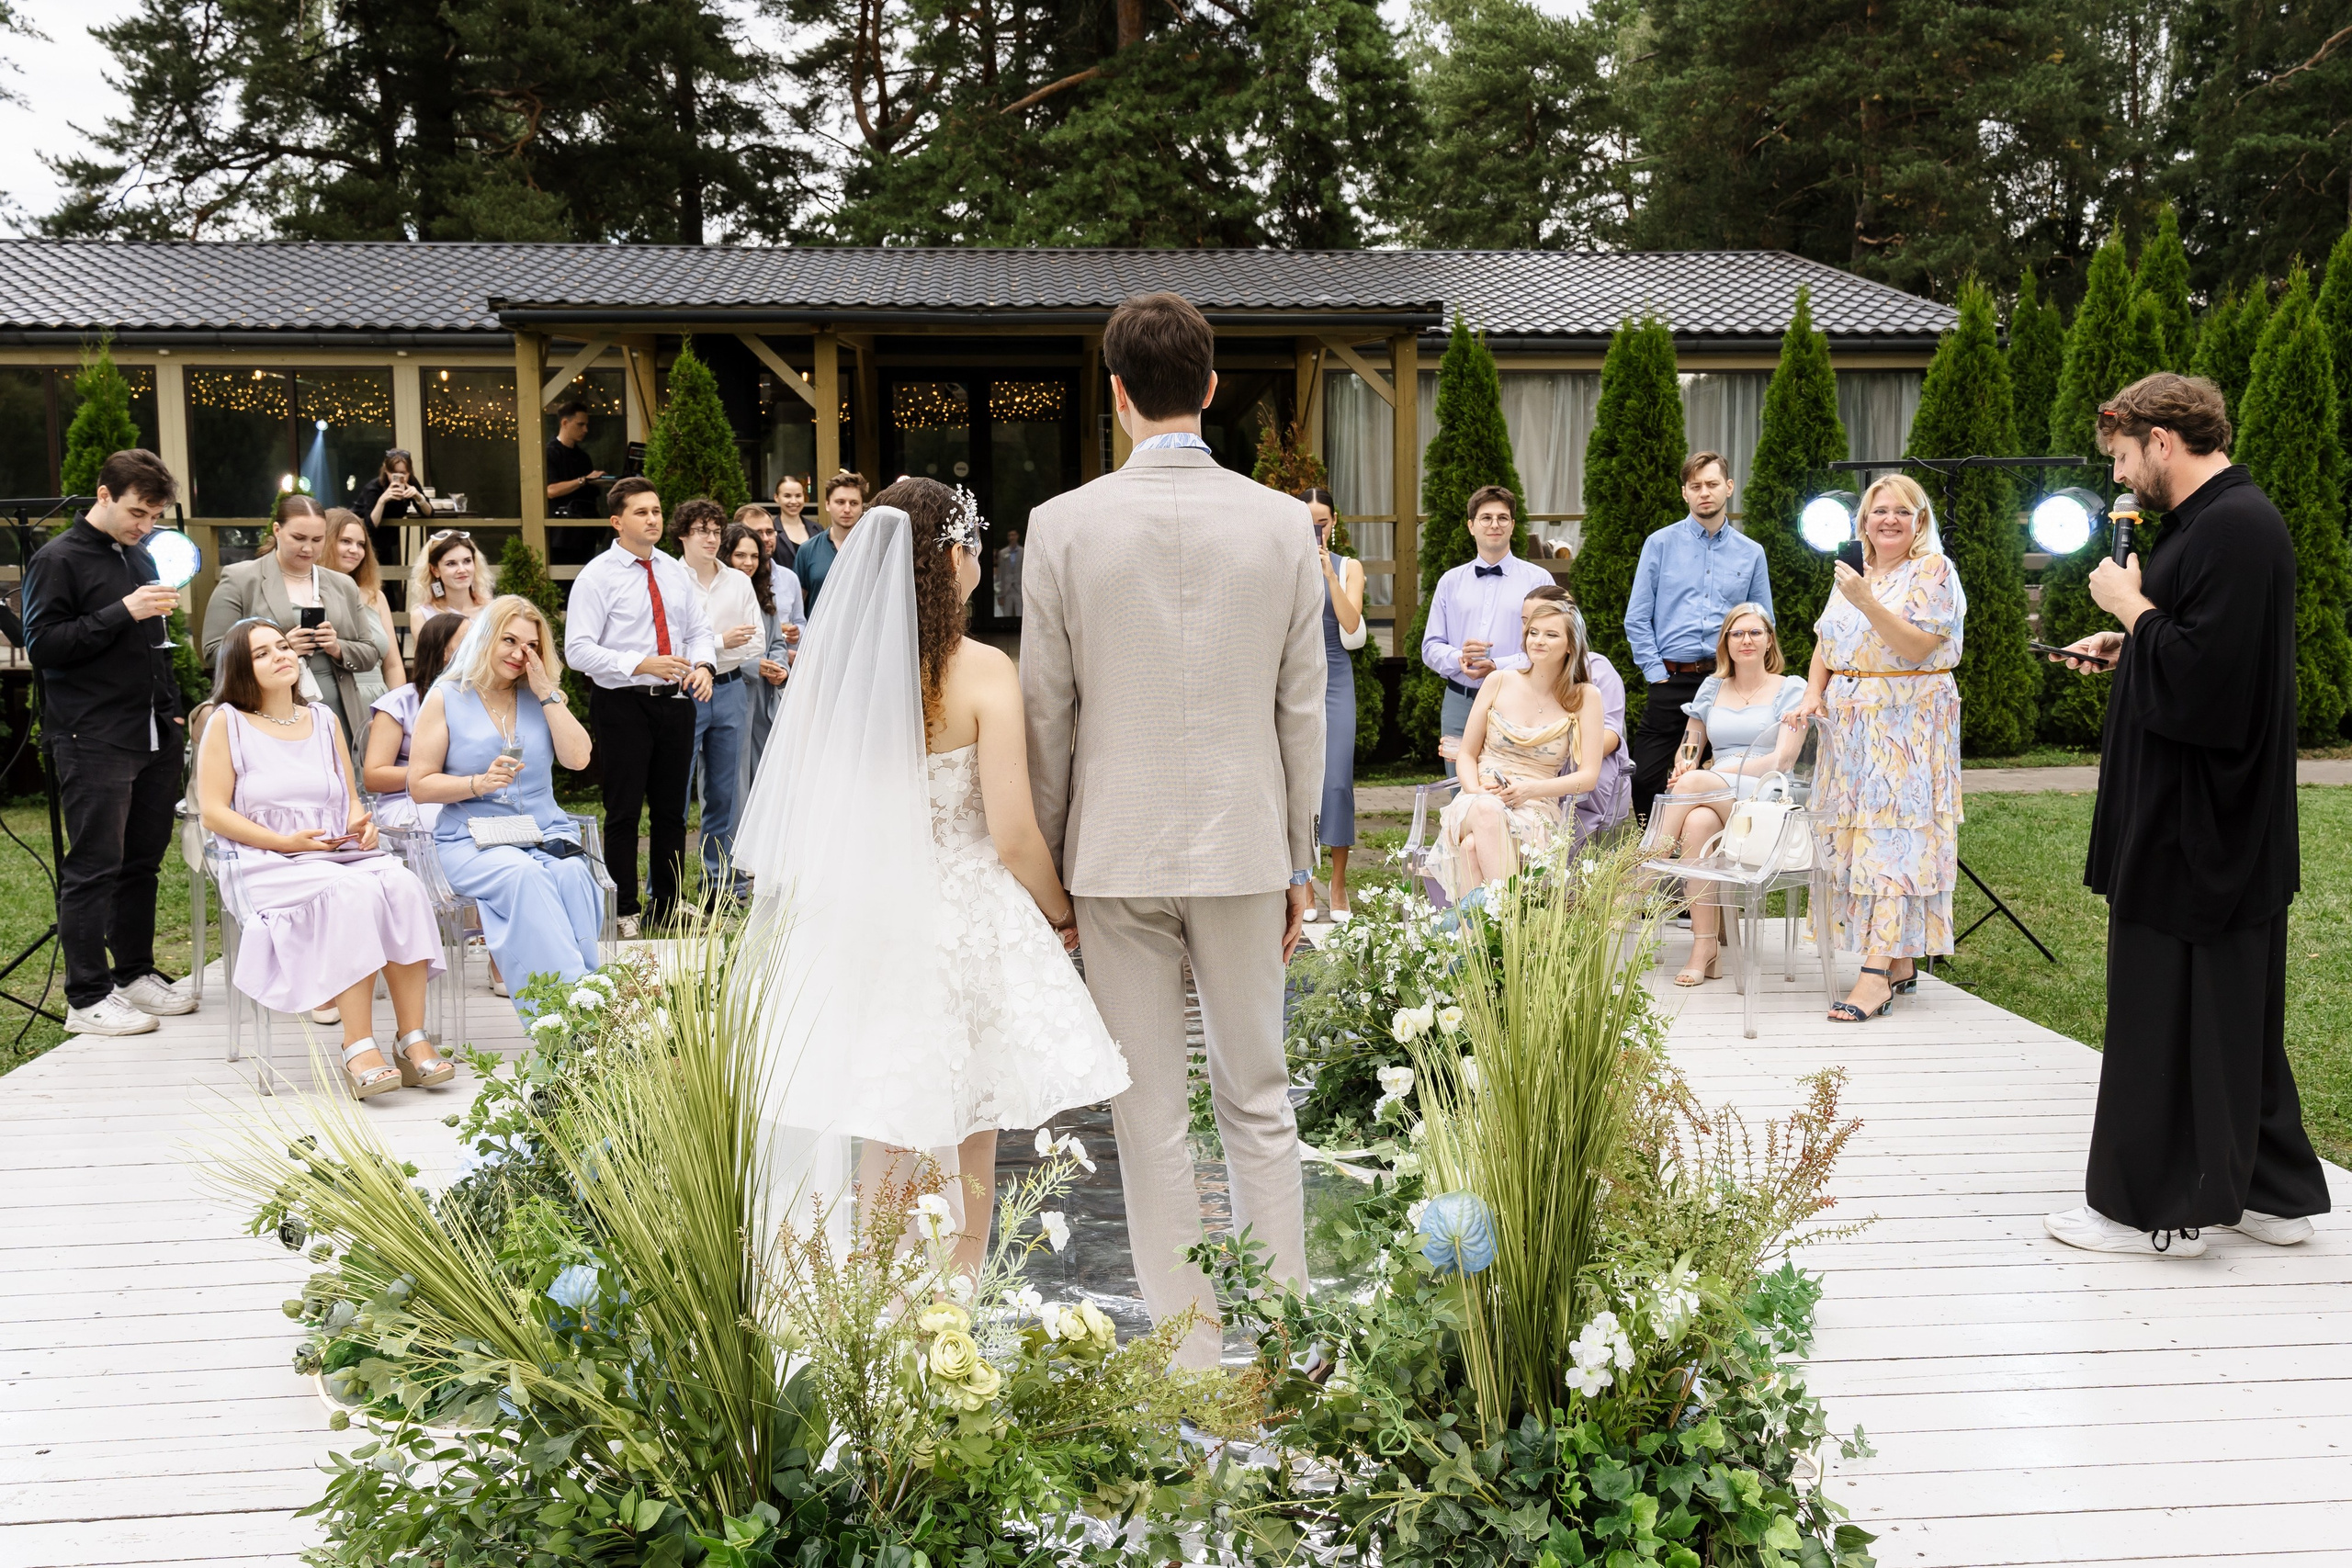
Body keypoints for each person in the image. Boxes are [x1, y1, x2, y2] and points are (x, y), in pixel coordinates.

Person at [1020, 291, 1324, 1369]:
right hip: (1245, 844)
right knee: (1258, 1098)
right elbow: (1302, 704)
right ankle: (1284, 1343)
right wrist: (1298, 859)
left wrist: (1052, 868)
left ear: (1114, 395)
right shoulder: (1286, 524)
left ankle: (1191, 1359)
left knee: (1147, 1116)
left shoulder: (1058, 526)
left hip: (1113, 851)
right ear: (1208, 387)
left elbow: (1046, 712)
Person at [738, 480, 1129, 1278]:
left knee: (886, 1119)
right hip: (960, 917)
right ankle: (954, 1312)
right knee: (971, 1121)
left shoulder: (837, 672)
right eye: (973, 544)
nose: (979, 559)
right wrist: (1060, 911)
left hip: (864, 919)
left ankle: (876, 1311)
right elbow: (1015, 833)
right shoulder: (981, 668)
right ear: (951, 556)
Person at [2041, 372, 2328, 1258]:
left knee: (2158, 1008)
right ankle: (2268, 1192)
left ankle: (2148, 1210)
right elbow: (2203, 645)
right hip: (2207, 817)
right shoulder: (2214, 527)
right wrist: (2130, 642)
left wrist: (2127, 605)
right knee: (2229, 1009)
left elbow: (2209, 687)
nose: (2125, 480)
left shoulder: (2235, 529)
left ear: (2164, 441)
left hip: (2196, 822)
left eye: (2126, 460)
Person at [197, 617, 450, 1098]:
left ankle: (411, 1037)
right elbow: (212, 812)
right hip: (265, 859)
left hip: (335, 851)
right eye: (264, 653)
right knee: (351, 894)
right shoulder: (225, 721)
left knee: (403, 884)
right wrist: (288, 843)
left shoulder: (323, 719)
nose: (281, 656)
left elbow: (349, 798)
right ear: (239, 668)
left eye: (283, 647)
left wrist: (361, 824)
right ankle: (358, 1045)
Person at [20, 448, 198, 1036]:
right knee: (94, 865)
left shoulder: (142, 557)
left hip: (151, 730)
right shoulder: (57, 559)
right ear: (103, 495)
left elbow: (154, 647)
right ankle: (87, 997)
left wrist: (171, 714)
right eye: (137, 512)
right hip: (91, 733)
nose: (145, 526)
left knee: (142, 863)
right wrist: (121, 610)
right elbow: (43, 646)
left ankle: (134, 974)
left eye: (153, 516)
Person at [1791, 474, 1962, 1024]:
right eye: (1878, 511)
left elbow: (1916, 647)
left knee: (1892, 841)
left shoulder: (1932, 571)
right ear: (1863, 522)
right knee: (1860, 839)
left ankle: (1874, 974)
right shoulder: (1856, 574)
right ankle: (1900, 959)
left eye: (1902, 511)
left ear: (1920, 522)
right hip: (1849, 729)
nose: (1888, 519)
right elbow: (1824, 640)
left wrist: (1867, 603)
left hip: (1905, 724)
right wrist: (1814, 692)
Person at [407, 597, 604, 1011]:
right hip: (470, 838)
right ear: (486, 638)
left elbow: (579, 759)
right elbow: (420, 785)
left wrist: (548, 694)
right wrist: (476, 783)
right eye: (509, 640)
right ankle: (575, 1011)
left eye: (530, 645)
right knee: (523, 877)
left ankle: (589, 998)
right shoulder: (446, 696)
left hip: (544, 831)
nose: (519, 654)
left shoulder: (540, 696)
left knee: (571, 874)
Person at [564, 476, 716, 938]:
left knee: (672, 810)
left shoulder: (673, 570)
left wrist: (704, 665)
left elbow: (698, 630)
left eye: (655, 511)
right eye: (641, 512)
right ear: (617, 521)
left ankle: (668, 904)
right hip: (622, 704)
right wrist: (638, 663)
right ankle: (624, 907)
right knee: (624, 809)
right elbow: (578, 650)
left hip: (676, 703)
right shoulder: (596, 576)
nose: (652, 519)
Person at [1647, 603, 1809, 986]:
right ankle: (1704, 946)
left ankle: (1642, 869)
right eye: (1737, 633)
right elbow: (1690, 744)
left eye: (1755, 632)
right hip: (1715, 794)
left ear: (1769, 640)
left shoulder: (1792, 687)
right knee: (1698, 821)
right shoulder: (1712, 687)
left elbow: (1783, 758)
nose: (1746, 640)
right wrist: (1685, 767)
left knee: (1694, 788)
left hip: (1766, 796)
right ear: (1726, 643)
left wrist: (1710, 773)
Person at [1623, 453, 1772, 822]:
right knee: (1645, 778)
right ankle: (1655, 865)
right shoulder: (1659, 544)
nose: (1705, 492)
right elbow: (1637, 617)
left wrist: (1747, 674)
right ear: (1685, 493)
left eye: (1712, 484)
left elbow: (1763, 620)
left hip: (1727, 682)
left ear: (1729, 487)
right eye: (1696, 486)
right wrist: (1656, 673)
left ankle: (1710, 850)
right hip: (1671, 679)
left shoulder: (1751, 553)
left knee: (1724, 774)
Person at [1430, 592, 1609, 899]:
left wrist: (1528, 791)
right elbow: (1468, 755)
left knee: (1473, 847)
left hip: (1536, 805)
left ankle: (1476, 942)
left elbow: (1588, 776)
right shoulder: (1499, 681)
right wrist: (1475, 791)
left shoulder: (1585, 697)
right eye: (1532, 633)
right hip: (1478, 796)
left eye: (1551, 635)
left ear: (1570, 646)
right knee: (1486, 811)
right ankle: (1514, 923)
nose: (1537, 641)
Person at [202, 494, 384, 761]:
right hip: (267, 712)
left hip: (338, 711)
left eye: (317, 540)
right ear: (277, 530)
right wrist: (280, 649)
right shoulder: (242, 579)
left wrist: (336, 647)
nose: (308, 549)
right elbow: (213, 651)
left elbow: (370, 653)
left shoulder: (343, 585)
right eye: (299, 538)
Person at [1420, 486, 1554, 776]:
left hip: (1518, 700)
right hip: (1460, 701)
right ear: (1471, 526)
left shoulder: (1538, 580)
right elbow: (1430, 646)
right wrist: (1459, 658)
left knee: (1512, 786)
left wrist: (1497, 666)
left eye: (1503, 518)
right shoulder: (1450, 582)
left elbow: (1548, 648)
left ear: (1513, 525)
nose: (1495, 524)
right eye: (1486, 518)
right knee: (1458, 788)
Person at [675, 498, 763, 895]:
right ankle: (670, 883)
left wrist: (714, 650)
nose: (711, 539)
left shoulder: (739, 582)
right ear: (683, 535)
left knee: (724, 793)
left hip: (728, 689)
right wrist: (720, 640)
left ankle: (720, 882)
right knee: (675, 789)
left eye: (715, 531)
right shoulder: (670, 580)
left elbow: (756, 642)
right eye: (702, 531)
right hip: (682, 692)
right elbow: (671, 643)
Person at [1299, 489, 1366, 920]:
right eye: (1306, 521)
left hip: (1336, 677)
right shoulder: (1281, 563)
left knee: (1337, 780)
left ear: (1334, 522)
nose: (1313, 529)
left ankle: (1338, 884)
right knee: (1297, 784)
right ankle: (1303, 886)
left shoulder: (1349, 567)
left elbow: (1352, 622)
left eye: (1320, 522)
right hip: (1294, 681)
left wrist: (1328, 576)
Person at [1525, 584, 1632, 841]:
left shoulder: (1597, 670)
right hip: (1531, 774)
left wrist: (1549, 751)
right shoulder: (1515, 673)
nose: (1535, 633)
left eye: (1548, 627)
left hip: (1583, 778)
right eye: (1527, 623)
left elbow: (1610, 737)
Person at [362, 613, 465, 829]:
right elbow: (374, 776)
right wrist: (433, 775)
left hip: (466, 797)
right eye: (470, 643)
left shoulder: (480, 702)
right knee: (458, 825)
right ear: (443, 652)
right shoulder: (399, 704)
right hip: (408, 801)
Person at [724, 518, 797, 792]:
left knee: (766, 775)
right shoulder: (719, 596)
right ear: (726, 556)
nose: (748, 562)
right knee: (734, 776)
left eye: (754, 556)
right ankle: (730, 835)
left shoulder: (764, 593)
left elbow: (777, 642)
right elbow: (712, 646)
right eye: (740, 555)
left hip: (765, 695)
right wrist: (754, 665)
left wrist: (780, 668)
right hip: (734, 690)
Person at [326, 507, 405, 705]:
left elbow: (393, 665)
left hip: (379, 702)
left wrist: (397, 710)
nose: (355, 550)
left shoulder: (375, 596)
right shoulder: (308, 592)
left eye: (361, 544)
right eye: (345, 541)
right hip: (334, 701)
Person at [794, 470, 867, 612]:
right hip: (819, 633)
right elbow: (797, 605)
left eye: (854, 503)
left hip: (863, 633)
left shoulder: (874, 549)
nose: (847, 509)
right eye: (840, 502)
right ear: (827, 504)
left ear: (862, 507)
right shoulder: (808, 550)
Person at [408, 528, 495, 626]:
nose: (462, 570)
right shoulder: (423, 616)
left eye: (467, 561)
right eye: (451, 563)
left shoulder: (492, 610)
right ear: (435, 570)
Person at [544, 400, 606, 520]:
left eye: (586, 425)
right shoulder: (550, 453)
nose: (585, 430)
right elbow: (550, 490)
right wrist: (583, 480)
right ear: (565, 423)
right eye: (580, 424)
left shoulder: (584, 457)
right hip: (561, 529)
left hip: (585, 529)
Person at [352, 448, 425, 534]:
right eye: (393, 473)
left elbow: (429, 513)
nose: (399, 476)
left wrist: (419, 497)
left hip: (389, 537)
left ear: (409, 472)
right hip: (365, 537)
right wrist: (382, 500)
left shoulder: (410, 482)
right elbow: (370, 526)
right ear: (386, 470)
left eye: (403, 473)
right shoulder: (373, 488)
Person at [771, 474, 812, 570]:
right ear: (776, 498)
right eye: (787, 496)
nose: (793, 501)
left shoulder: (817, 529)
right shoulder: (770, 530)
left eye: (798, 496)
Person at [993, 528, 1024, 618]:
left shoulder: (1023, 552)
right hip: (1007, 590)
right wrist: (1000, 594)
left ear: (1017, 536)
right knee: (1006, 615)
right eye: (1010, 535)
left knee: (1020, 615)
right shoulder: (1003, 553)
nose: (1012, 537)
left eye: (1013, 535)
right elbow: (1000, 574)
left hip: (1019, 589)